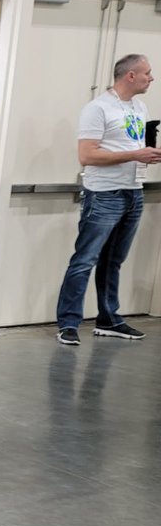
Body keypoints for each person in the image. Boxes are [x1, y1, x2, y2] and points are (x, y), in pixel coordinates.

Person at [55, 54, 161, 346]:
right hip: (104, 195)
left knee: (114, 260)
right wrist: (135, 154)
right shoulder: (98, 108)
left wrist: (147, 154)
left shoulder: (139, 107)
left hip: (133, 192)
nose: (151, 78)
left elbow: (130, 146)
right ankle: (68, 323)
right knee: (84, 260)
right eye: (147, 73)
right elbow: (87, 155)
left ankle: (109, 319)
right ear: (130, 75)